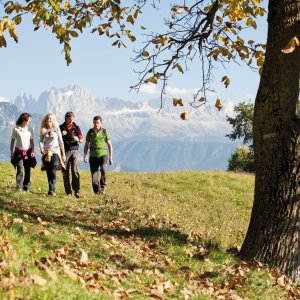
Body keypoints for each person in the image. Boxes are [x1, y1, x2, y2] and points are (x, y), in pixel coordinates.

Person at [84, 116, 113, 195]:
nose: (96, 124)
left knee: (103, 169)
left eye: (97, 123)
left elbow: (109, 145)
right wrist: (85, 155)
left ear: (101, 123)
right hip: (93, 155)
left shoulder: (104, 132)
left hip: (103, 154)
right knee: (94, 174)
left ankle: (103, 187)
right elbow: (86, 145)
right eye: (94, 122)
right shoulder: (90, 132)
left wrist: (110, 157)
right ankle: (96, 191)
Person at [39, 113, 66, 196]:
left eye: (51, 118)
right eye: (48, 118)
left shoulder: (57, 129)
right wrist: (41, 148)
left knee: (53, 169)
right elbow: (40, 141)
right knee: (48, 171)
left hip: (55, 152)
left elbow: (61, 142)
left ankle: (52, 190)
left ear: (53, 120)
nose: (49, 120)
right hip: (46, 153)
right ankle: (51, 188)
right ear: (46, 120)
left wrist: (63, 154)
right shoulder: (43, 130)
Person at [59, 112, 83, 198]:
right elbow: (57, 139)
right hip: (64, 150)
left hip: (74, 150)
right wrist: (61, 134)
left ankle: (76, 190)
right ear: (66, 118)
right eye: (69, 119)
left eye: (72, 119)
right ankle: (68, 192)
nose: (71, 121)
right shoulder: (61, 127)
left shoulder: (76, 127)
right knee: (65, 171)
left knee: (75, 170)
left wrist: (78, 139)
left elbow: (81, 140)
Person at [10, 112, 35, 192]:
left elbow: (32, 141)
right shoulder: (16, 129)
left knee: (27, 169)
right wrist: (11, 152)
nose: (29, 122)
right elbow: (13, 141)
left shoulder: (30, 129)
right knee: (20, 168)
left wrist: (33, 151)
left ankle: (26, 186)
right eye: (28, 120)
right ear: (23, 120)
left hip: (27, 152)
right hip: (18, 152)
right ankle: (19, 186)